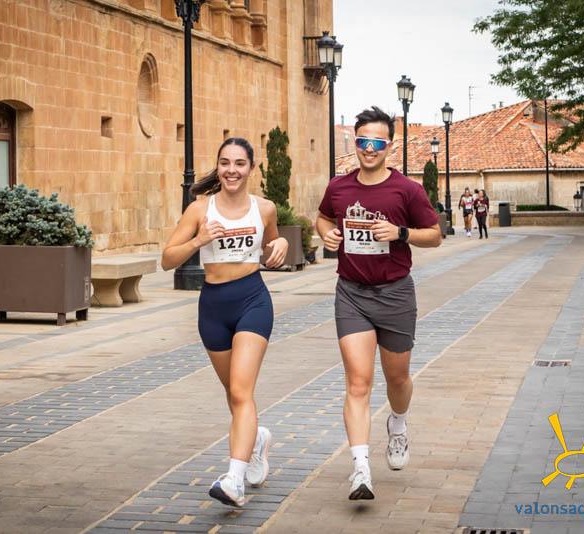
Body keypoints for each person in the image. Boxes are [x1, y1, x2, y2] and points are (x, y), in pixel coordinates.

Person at [315, 107, 442, 500]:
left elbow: (434, 234)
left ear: (389, 146)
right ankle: (361, 470)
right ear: (355, 143)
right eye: (362, 141)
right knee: (358, 381)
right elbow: (322, 217)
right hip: (352, 294)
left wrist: (400, 232)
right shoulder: (339, 187)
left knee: (397, 380)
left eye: (377, 142)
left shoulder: (407, 190)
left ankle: (398, 423)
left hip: (395, 294)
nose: (369, 149)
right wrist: (327, 234)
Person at [161, 138, 289, 507]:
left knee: (241, 392)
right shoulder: (200, 209)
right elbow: (167, 259)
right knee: (234, 394)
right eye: (225, 163)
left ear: (251, 168)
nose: (232, 170)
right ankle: (257, 439)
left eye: (239, 163)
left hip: (252, 301)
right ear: (218, 167)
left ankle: (234, 479)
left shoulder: (265, 208)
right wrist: (198, 240)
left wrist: (280, 247)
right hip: (213, 307)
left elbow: (274, 247)